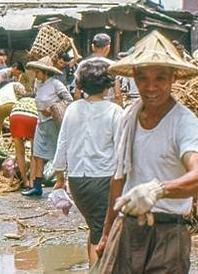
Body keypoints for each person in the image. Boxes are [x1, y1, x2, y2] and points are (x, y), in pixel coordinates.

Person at [96, 30, 198, 273]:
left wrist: (158, 190)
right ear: (134, 77)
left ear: (173, 78)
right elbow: (119, 177)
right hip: (128, 227)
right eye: (143, 78)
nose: (151, 86)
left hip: (168, 233)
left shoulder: (184, 123)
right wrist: (106, 233)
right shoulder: (129, 117)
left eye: (160, 78)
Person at [53, 59, 123, 266]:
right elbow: (121, 152)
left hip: (77, 180)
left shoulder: (73, 109)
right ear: (108, 85)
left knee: (94, 228)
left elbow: (62, 144)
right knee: (102, 233)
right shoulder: (114, 112)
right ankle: (97, 269)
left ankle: (92, 267)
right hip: (102, 180)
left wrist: (59, 178)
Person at [21, 56, 73, 197]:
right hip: (41, 123)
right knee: (38, 154)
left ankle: (63, 181)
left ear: (45, 73)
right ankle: (37, 186)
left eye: (38, 72)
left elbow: (69, 99)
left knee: (58, 153)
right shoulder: (38, 84)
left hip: (53, 123)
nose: (35, 74)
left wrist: (52, 108)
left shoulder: (56, 84)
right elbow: (37, 97)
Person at [74, 33, 121, 105]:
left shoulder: (82, 64)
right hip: (107, 107)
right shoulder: (112, 65)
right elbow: (117, 95)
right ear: (108, 47)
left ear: (93, 47)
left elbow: (77, 94)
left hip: (87, 105)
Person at [9, 94, 38, 189]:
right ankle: (32, 181)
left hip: (14, 117)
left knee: (19, 151)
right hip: (31, 117)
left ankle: (24, 180)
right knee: (34, 152)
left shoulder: (19, 102)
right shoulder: (35, 101)